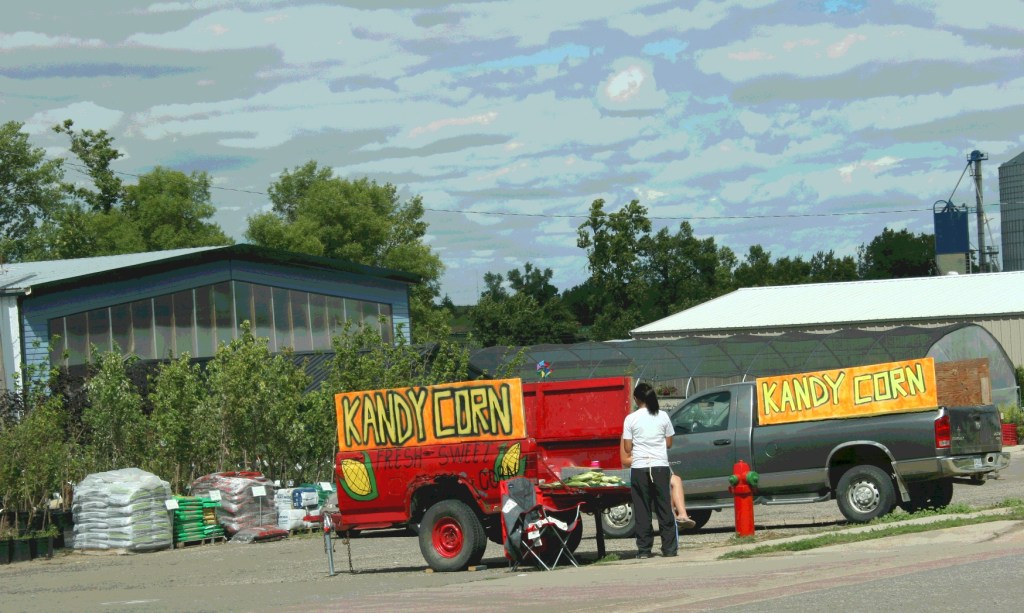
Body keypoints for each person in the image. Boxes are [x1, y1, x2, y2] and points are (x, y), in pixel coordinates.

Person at [621, 382, 677, 558]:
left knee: (642, 509)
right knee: (664, 507)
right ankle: (669, 549)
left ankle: (644, 550)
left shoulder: (630, 419)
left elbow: (628, 448)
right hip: (660, 466)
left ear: (636, 399)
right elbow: (668, 443)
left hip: (639, 468)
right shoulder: (663, 416)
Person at [620, 440, 696, 529]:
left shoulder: (653, 433)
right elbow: (625, 460)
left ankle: (682, 515)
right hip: (639, 470)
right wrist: (647, 459)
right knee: (666, 483)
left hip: (656, 467)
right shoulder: (629, 434)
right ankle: (671, 518)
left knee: (675, 480)